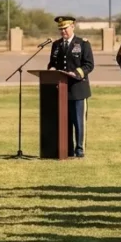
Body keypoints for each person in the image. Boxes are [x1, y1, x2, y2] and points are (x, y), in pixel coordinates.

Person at [46, 16, 93, 157]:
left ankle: (79, 150)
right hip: (62, 90)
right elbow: (52, 63)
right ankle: (68, 150)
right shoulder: (56, 45)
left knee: (79, 122)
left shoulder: (83, 44)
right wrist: (52, 69)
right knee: (64, 122)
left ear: (73, 27)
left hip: (78, 89)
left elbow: (89, 65)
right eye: (60, 29)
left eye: (65, 28)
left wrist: (77, 73)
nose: (63, 32)